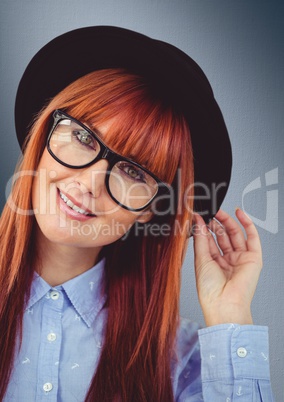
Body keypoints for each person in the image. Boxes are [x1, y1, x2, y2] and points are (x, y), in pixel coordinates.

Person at [0, 26, 274, 401]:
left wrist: (231, 317)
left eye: (133, 171)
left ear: (150, 209)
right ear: (44, 135)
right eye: (83, 137)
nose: (91, 183)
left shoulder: (186, 363)